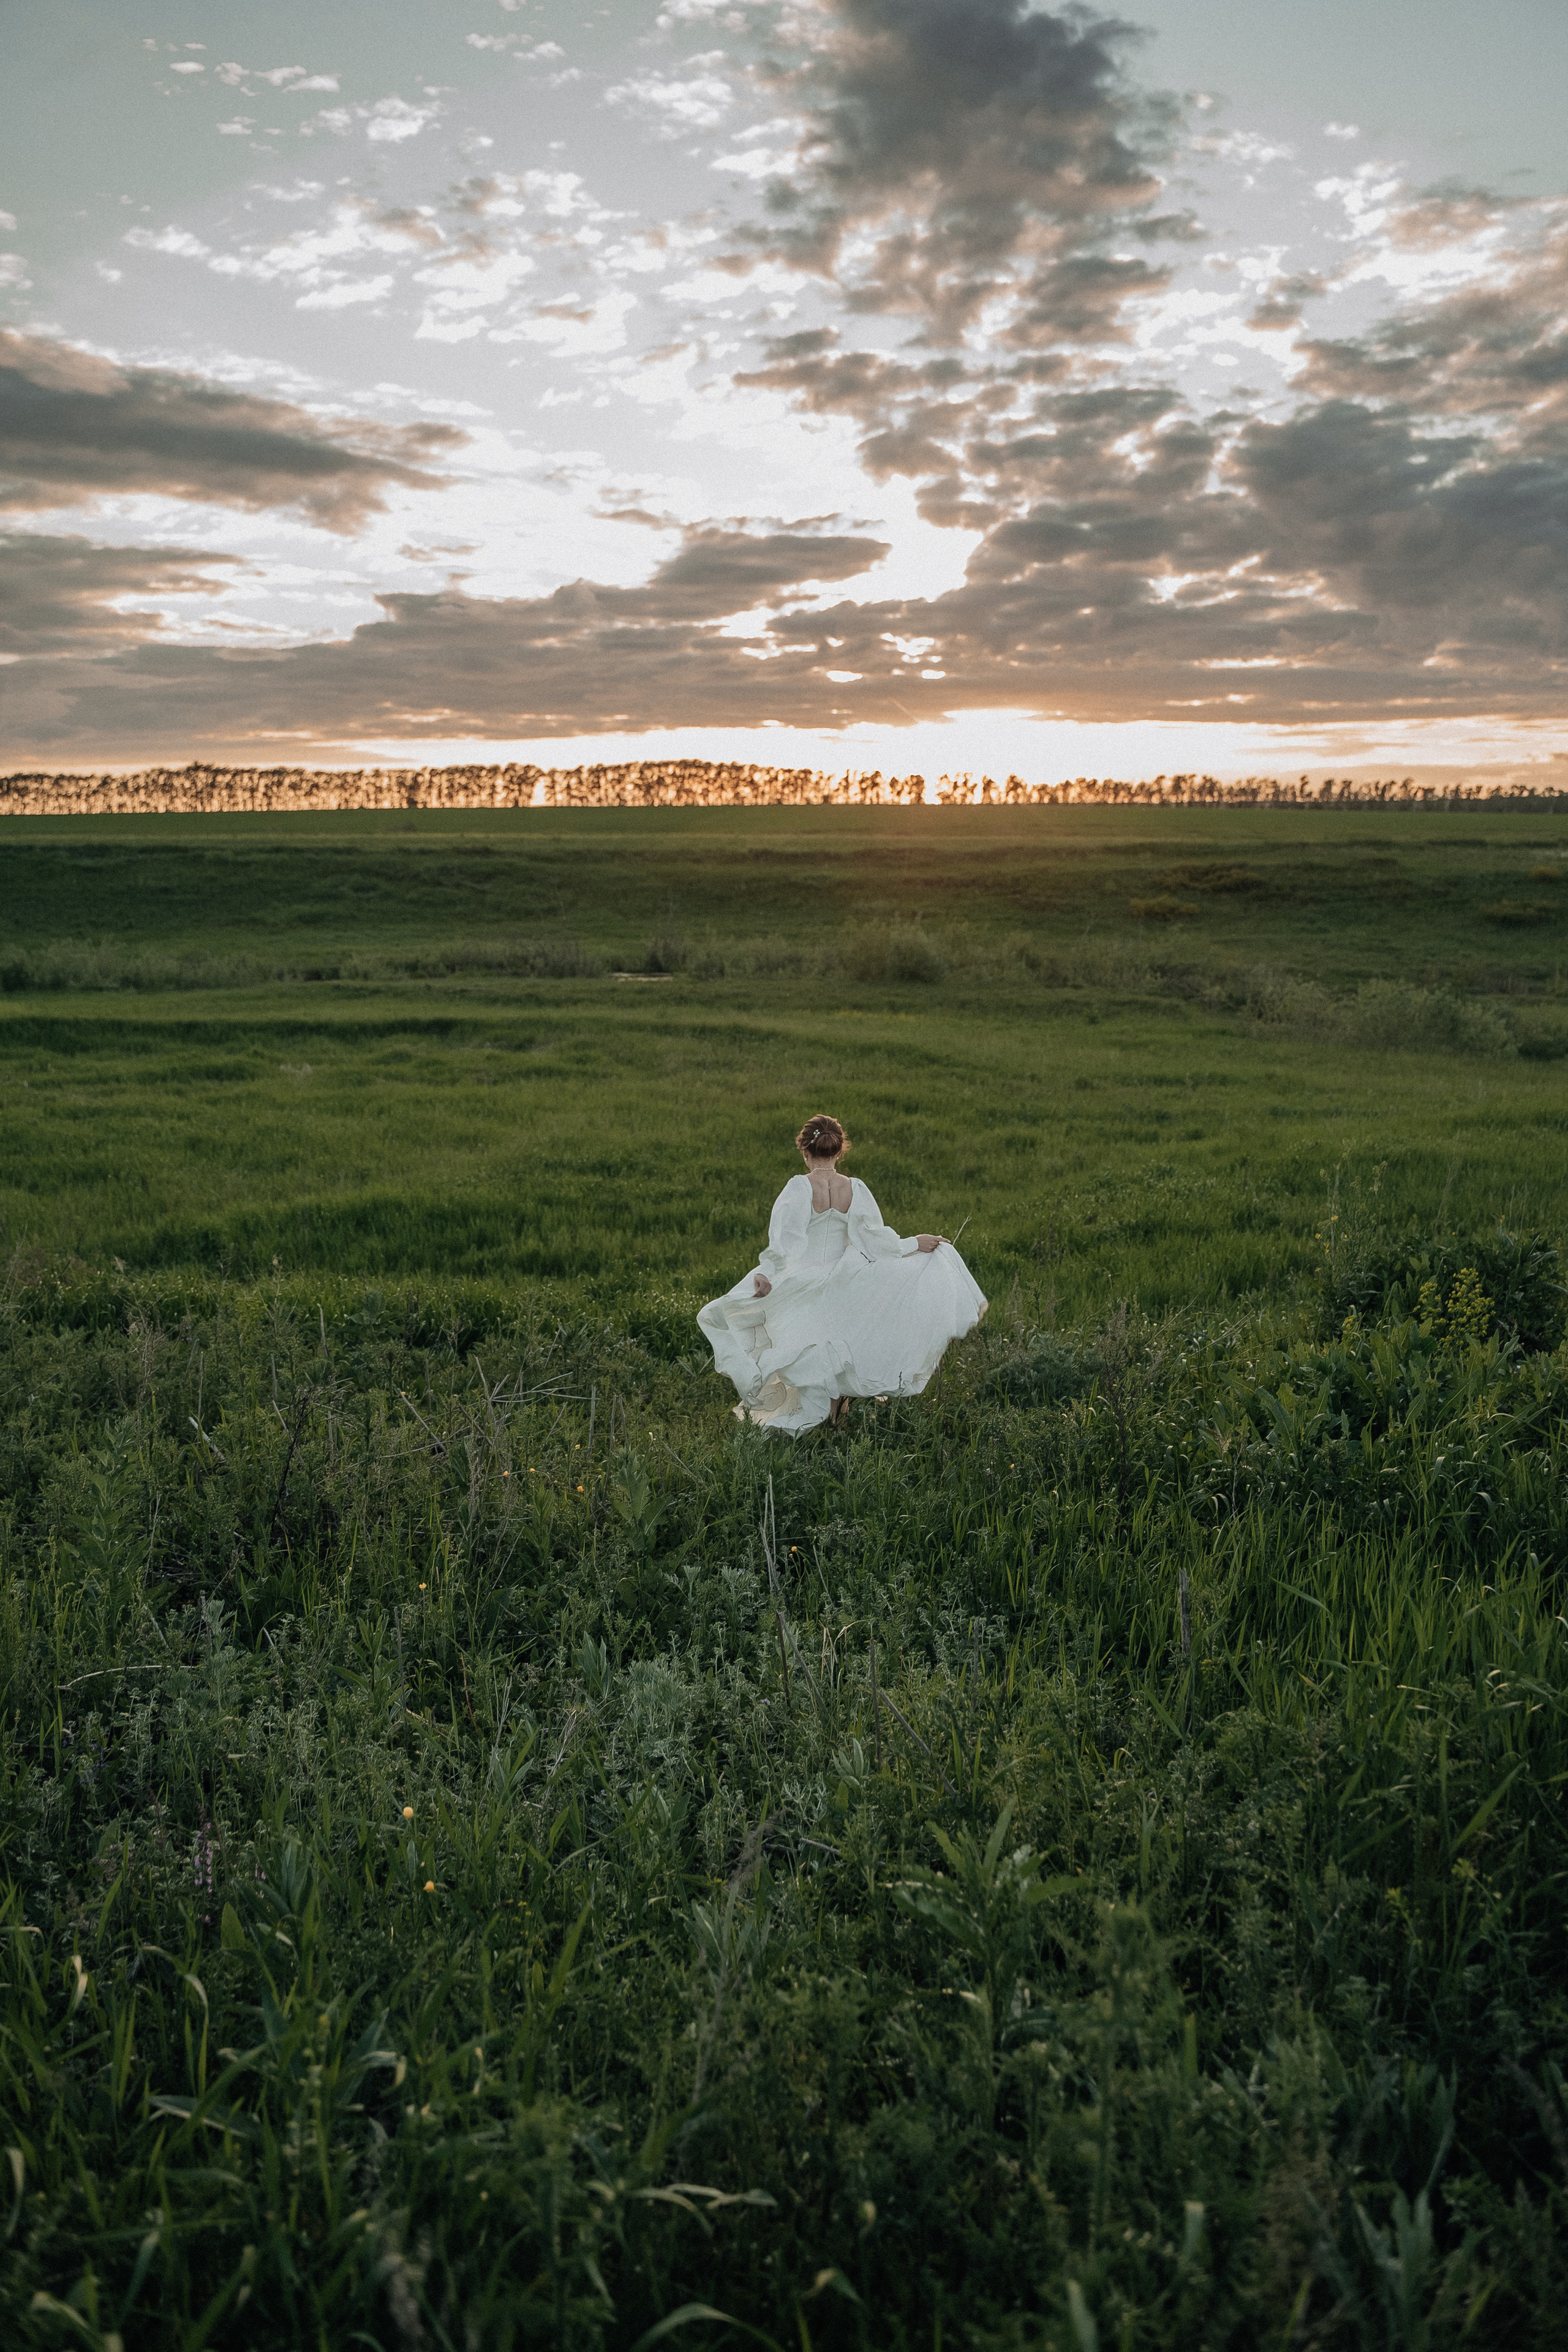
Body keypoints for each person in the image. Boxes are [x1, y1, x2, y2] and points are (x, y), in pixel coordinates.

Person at [697, 1114, 987, 1434]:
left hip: (807, 1280)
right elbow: (876, 1240)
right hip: (848, 1278)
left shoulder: (799, 1187)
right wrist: (914, 1243)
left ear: (806, 1153)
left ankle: (824, 1425)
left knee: (795, 1341)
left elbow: (786, 1242)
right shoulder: (855, 1188)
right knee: (838, 1344)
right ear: (839, 1152)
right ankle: (837, 1423)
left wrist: (768, 1273)